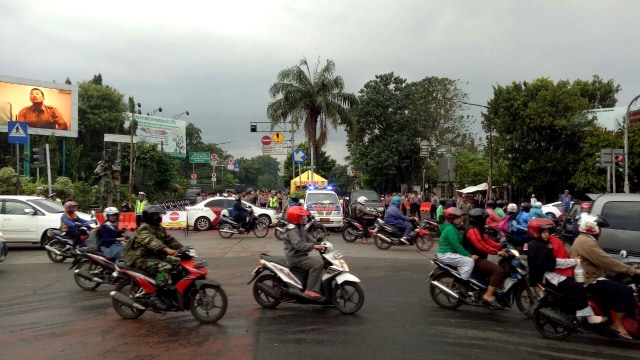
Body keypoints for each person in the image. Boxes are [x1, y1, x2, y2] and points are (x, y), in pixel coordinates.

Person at [570, 214, 640, 340]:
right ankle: (617, 324)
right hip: (590, 280)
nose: (601, 231)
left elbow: (604, 258)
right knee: (625, 291)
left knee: (622, 283)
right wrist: (632, 271)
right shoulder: (586, 242)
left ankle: (616, 314)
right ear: (592, 227)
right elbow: (606, 261)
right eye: (599, 227)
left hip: (596, 275)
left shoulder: (587, 239)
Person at [527, 218, 607, 326]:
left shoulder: (539, 244)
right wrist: (573, 262)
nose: (547, 234)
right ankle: (587, 316)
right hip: (548, 277)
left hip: (548, 275)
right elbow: (554, 263)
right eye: (544, 232)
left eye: (547, 232)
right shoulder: (538, 247)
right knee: (577, 288)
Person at [123, 205, 183, 310]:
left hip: (155, 256)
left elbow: (170, 240)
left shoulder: (159, 228)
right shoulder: (143, 230)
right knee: (165, 267)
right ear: (150, 217)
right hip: (141, 259)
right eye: (156, 216)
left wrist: (183, 248)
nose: (159, 217)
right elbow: (152, 242)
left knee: (178, 263)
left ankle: (171, 290)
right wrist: (167, 250)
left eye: (159, 215)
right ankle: (156, 296)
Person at [463, 208, 507, 307]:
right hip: (475, 259)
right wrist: (497, 252)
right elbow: (481, 245)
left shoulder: (478, 228)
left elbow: (487, 241)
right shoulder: (472, 230)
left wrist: (500, 246)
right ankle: (488, 295)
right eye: (484, 219)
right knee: (498, 271)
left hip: (479, 258)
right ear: (478, 219)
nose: (486, 220)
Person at [283, 206, 325, 299]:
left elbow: (308, 238)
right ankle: (309, 290)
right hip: (295, 257)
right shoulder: (292, 231)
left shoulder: (300, 227)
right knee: (317, 265)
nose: (303, 218)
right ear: (295, 218)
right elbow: (299, 245)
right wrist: (313, 246)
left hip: (301, 256)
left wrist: (318, 242)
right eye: (300, 217)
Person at [437, 207, 476, 282]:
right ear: (452, 219)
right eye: (459, 218)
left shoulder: (452, 227)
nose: (461, 219)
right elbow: (456, 245)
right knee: (469, 261)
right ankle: (462, 283)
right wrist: (469, 255)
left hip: (449, 253)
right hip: (446, 254)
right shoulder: (450, 229)